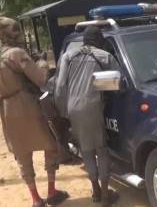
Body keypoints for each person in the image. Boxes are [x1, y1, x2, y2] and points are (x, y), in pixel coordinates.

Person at [0, 17, 69, 207]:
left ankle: (36, 199)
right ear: (9, 33)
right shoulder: (17, 54)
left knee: (22, 152)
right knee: (50, 144)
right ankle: (52, 191)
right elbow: (40, 79)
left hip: (6, 107)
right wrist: (42, 62)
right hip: (27, 104)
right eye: (16, 31)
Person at [55, 26, 120, 207]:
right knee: (101, 148)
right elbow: (117, 83)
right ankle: (106, 195)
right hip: (93, 107)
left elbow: (60, 88)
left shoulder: (68, 56)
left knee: (86, 149)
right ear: (98, 40)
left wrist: (64, 112)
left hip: (72, 108)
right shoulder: (104, 56)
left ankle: (95, 191)